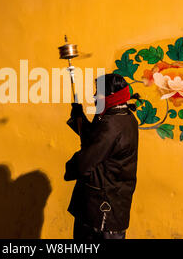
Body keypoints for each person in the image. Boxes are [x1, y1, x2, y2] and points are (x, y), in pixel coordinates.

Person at [64, 73, 140, 240]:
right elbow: (98, 143)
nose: (94, 96)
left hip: (101, 209)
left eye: (97, 93)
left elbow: (86, 161)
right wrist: (79, 117)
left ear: (110, 96)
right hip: (115, 203)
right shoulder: (125, 118)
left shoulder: (111, 124)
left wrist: (70, 168)